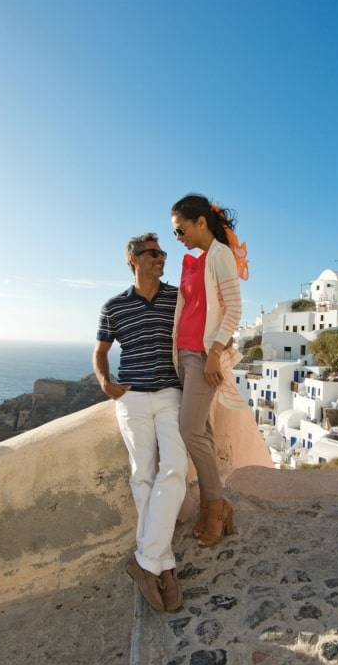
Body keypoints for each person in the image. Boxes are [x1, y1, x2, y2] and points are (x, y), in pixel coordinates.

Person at [94, 232, 187, 613]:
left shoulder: (178, 297)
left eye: (163, 253)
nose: (161, 258)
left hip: (169, 393)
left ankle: (146, 560)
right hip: (131, 397)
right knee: (142, 475)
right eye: (153, 253)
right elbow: (100, 350)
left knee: (176, 467)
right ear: (133, 259)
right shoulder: (114, 306)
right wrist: (104, 382)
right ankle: (161, 563)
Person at [170, 193, 250, 548]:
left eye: (181, 229)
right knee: (201, 429)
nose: (178, 237)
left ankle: (215, 508)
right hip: (184, 356)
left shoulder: (220, 256)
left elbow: (234, 309)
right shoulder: (195, 260)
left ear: (201, 222)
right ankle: (212, 508)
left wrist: (216, 351)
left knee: (189, 431)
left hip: (204, 358)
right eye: (174, 232)